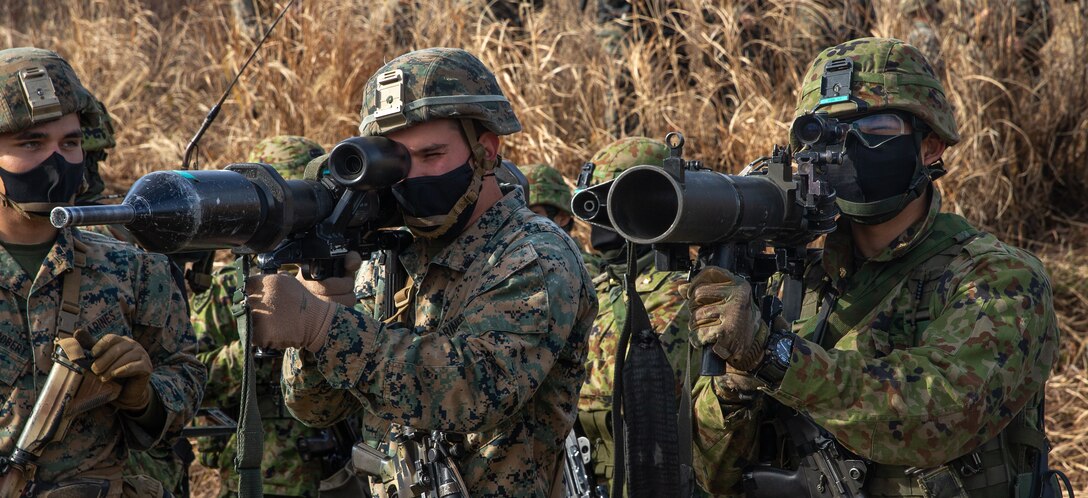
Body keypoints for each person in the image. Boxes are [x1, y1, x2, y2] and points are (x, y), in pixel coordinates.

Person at [687, 38, 1060, 497]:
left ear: (931, 145)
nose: (848, 148)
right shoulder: (796, 285)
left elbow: (938, 415)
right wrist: (737, 381)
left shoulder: (1000, 279)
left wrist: (774, 357)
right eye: (828, 131)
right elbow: (713, 475)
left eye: (876, 127)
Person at [246, 47, 596, 496]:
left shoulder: (535, 255)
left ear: (486, 152)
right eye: (399, 161)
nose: (414, 176)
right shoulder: (390, 254)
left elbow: (472, 391)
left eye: (431, 155)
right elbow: (315, 408)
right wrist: (329, 297)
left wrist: (322, 328)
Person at [0, 47, 205, 497]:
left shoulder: (134, 268)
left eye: (69, 143)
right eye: (31, 143)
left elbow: (186, 379)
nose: (57, 162)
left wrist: (144, 395)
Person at [190, 135, 328, 498]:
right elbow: (190, 382)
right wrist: (249, 346)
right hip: (254, 481)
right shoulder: (228, 288)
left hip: (341, 474)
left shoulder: (342, 275)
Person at [576, 137, 698, 493]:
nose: (600, 222)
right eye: (593, 204)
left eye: (611, 201)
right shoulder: (595, 285)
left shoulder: (685, 289)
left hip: (652, 477)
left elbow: (629, 385)